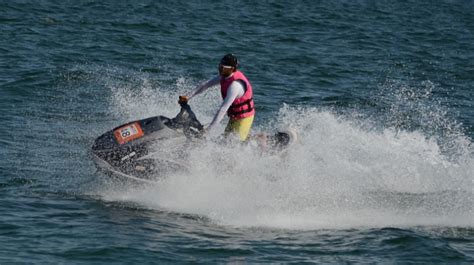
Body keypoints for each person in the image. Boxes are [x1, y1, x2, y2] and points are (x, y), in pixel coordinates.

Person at [179, 54, 255, 141]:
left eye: (222, 67)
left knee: (233, 144)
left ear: (232, 69)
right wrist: (188, 96)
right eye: (219, 66)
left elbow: (223, 108)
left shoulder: (235, 86)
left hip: (244, 118)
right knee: (225, 140)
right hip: (234, 116)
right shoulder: (225, 76)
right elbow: (205, 85)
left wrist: (209, 130)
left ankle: (258, 140)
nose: (219, 68)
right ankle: (253, 138)